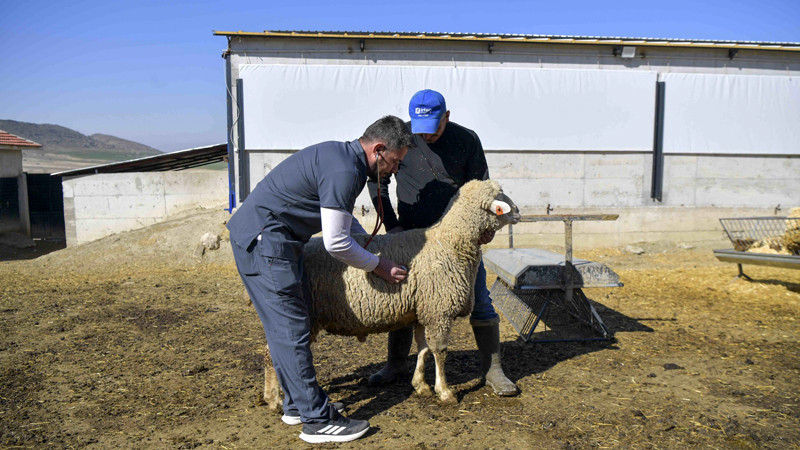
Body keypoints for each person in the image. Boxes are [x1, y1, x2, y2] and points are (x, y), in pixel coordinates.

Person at [227, 115, 414, 443]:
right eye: (396, 162)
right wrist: (377, 265)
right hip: (266, 243)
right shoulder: (346, 170)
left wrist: (370, 244)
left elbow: (340, 220)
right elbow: (336, 242)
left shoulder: (341, 158)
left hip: (270, 239)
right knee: (292, 330)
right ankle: (317, 420)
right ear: (379, 149)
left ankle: (296, 405)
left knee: (287, 329)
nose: (396, 170)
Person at [367, 90, 519, 396]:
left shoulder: (466, 140)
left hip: (458, 243)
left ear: (446, 117)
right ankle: (395, 364)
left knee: (480, 298)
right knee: (402, 300)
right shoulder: (402, 138)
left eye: (433, 126)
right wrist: (393, 225)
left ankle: (493, 370)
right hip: (412, 238)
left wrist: (484, 230)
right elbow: (377, 181)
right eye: (420, 126)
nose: (426, 133)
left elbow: (483, 190)